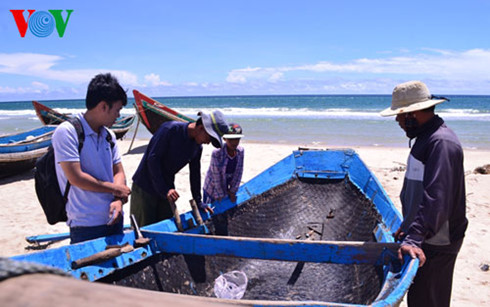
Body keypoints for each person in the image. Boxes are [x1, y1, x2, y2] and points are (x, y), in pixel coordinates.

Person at [380, 81, 468, 307]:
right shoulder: (426, 139)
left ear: (414, 113)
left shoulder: (441, 143)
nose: (398, 121)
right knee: (420, 297)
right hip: (426, 235)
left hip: (437, 240)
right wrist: (409, 224)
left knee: (429, 300)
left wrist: (415, 237)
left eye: (401, 115)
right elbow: (419, 190)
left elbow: (436, 197)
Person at [52, 73, 131, 244]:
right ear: (103, 106)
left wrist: (118, 200)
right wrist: (116, 190)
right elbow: (76, 178)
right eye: (117, 110)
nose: (118, 116)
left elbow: (118, 171)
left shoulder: (108, 135)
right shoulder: (67, 132)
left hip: (115, 216)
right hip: (85, 224)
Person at [130, 110, 229, 227]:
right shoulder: (170, 130)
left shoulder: (197, 147)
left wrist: (198, 201)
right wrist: (165, 189)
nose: (208, 142)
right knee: (143, 230)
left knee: (165, 227)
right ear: (201, 128)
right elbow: (152, 160)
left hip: (167, 190)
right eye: (210, 138)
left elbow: (195, 174)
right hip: (145, 187)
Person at [203, 123, 245, 208]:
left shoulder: (240, 152)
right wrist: (220, 195)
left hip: (226, 186)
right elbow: (216, 177)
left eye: (237, 139)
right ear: (224, 139)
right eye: (231, 140)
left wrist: (233, 191)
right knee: (211, 212)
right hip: (212, 188)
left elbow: (238, 173)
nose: (234, 142)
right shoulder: (217, 153)